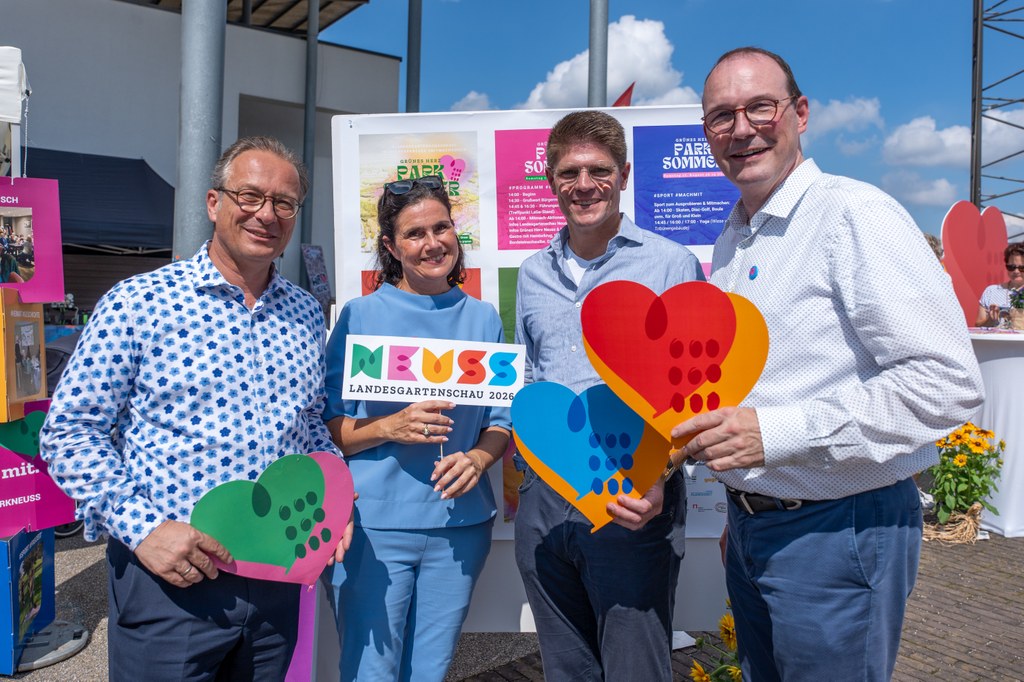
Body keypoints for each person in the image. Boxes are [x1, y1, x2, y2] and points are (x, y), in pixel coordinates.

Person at [671, 47, 984, 681]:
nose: (741, 128)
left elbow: (947, 383)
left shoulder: (853, 216)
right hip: (762, 526)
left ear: (800, 113)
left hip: (841, 529)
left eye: (760, 106)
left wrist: (777, 435)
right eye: (720, 116)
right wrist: (748, 504)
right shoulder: (734, 237)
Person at [39, 136, 351, 681]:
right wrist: (144, 529)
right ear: (214, 203)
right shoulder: (140, 301)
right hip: (171, 582)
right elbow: (69, 432)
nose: (266, 214)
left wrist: (334, 499)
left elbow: (308, 430)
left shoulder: (305, 313)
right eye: (250, 196)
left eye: (284, 203)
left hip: (277, 575)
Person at [514, 110, 704, 681]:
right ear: (551, 181)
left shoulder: (671, 264)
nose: (583, 184)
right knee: (565, 668)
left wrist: (657, 477)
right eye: (569, 172)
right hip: (546, 497)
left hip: (633, 494)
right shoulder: (531, 273)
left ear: (623, 174)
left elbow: (695, 394)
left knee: (635, 667)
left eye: (598, 170)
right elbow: (530, 376)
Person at [323, 175, 511, 681]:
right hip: (371, 528)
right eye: (414, 233)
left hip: (459, 529)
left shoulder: (483, 318)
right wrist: (390, 426)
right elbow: (327, 427)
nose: (432, 243)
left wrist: (478, 458)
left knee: (429, 672)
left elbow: (500, 422)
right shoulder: (360, 316)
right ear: (391, 246)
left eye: (441, 227)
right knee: (370, 673)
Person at [976, 242, 1024, 327]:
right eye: (1011, 267)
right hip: (998, 340)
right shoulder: (991, 291)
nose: (1016, 271)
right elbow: (978, 326)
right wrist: (991, 320)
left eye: (1022, 268)